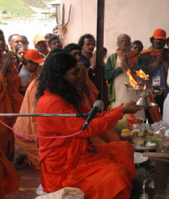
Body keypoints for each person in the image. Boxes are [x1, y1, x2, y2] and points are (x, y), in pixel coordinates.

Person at [36, 52, 140, 199]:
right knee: (115, 175)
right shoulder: (51, 103)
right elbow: (85, 128)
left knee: (122, 149)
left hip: (80, 154)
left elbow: (93, 118)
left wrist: (121, 109)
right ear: (59, 76)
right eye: (74, 73)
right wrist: (121, 111)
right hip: (63, 168)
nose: (80, 76)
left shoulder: (65, 96)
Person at [105, 34, 146, 131]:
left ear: (130, 43)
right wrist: (120, 68)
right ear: (117, 43)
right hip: (119, 97)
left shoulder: (137, 57)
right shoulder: (112, 58)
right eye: (122, 41)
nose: (124, 43)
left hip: (135, 96)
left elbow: (144, 73)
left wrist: (131, 68)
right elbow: (107, 76)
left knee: (137, 126)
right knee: (120, 125)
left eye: (127, 41)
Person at [140, 28, 169, 121]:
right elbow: (142, 72)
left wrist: (164, 60)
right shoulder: (144, 55)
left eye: (162, 40)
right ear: (152, 40)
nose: (159, 41)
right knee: (150, 115)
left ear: (164, 42)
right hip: (150, 90)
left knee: (165, 114)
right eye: (157, 39)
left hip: (165, 89)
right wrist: (157, 62)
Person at [0, 32, 23, 158]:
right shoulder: (5, 63)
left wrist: (8, 70)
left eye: (1, 39)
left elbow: (15, 86)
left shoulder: (7, 59)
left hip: (11, 109)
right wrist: (2, 70)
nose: (0, 42)